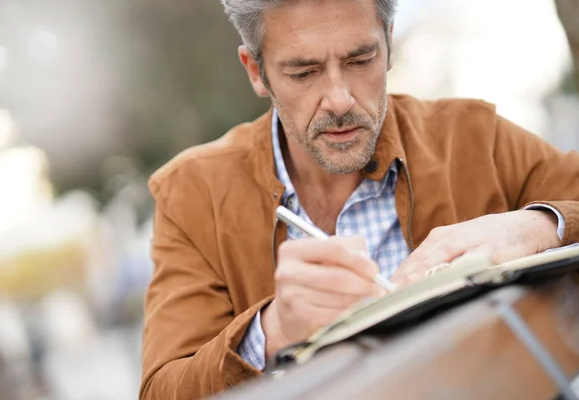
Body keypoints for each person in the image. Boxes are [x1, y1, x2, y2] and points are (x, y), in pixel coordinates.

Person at [139, 0, 579, 398]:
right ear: (256, 71)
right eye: (303, 72)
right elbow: (162, 390)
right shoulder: (191, 194)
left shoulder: (473, 139)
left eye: (360, 59)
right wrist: (271, 332)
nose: (339, 98)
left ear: (388, 43)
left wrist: (537, 226)